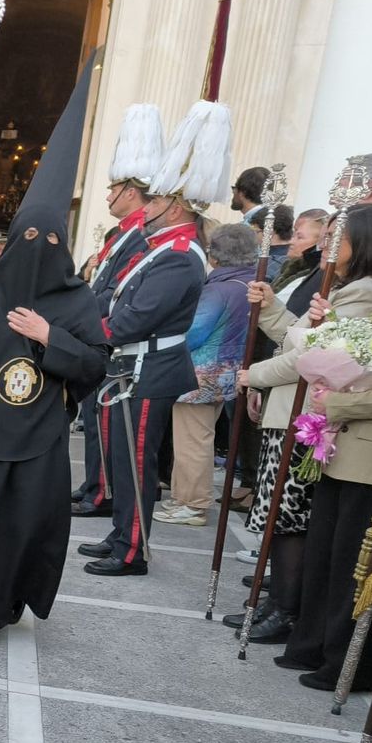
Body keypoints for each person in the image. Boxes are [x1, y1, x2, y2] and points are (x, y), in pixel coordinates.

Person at [0, 59, 108, 635]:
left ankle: (3, 603)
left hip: (38, 433)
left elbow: (95, 366)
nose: (39, 248)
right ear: (13, 241)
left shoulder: (76, 299)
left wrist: (51, 338)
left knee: (19, 525)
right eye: (29, 239)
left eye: (51, 240)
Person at [238, 205, 372, 658]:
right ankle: (285, 605)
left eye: (335, 237)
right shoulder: (340, 287)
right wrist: (271, 307)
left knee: (291, 519)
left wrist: (255, 375)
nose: (326, 244)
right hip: (305, 412)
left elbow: (317, 359)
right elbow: (298, 340)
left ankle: (287, 607)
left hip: (313, 416)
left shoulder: (363, 292)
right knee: (288, 518)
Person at [78, 99, 221, 578]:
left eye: (155, 200)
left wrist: (85, 334)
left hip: (148, 368)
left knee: (137, 462)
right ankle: (121, 536)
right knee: (122, 461)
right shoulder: (162, 248)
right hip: (133, 366)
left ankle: (133, 550)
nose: (147, 208)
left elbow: (131, 319)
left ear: (174, 204)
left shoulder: (180, 255)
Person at [73, 102, 164, 520]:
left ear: (131, 191)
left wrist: (90, 325)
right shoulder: (124, 234)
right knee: (96, 424)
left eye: (113, 189)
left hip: (123, 348)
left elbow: (118, 293)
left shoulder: (141, 237)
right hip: (104, 342)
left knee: (116, 436)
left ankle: (102, 494)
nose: (107, 195)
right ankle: (96, 488)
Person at [157, 223, 258, 527]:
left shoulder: (219, 288)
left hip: (199, 373)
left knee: (192, 441)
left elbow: (193, 333)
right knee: (201, 438)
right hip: (225, 372)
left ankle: (192, 503)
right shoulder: (247, 284)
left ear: (215, 254)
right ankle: (187, 498)